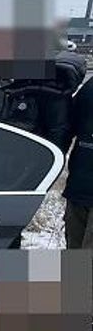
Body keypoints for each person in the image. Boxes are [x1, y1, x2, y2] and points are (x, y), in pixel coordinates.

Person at [64, 78, 93, 249]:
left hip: (79, 185)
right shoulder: (89, 90)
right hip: (79, 189)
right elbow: (65, 127)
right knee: (75, 261)